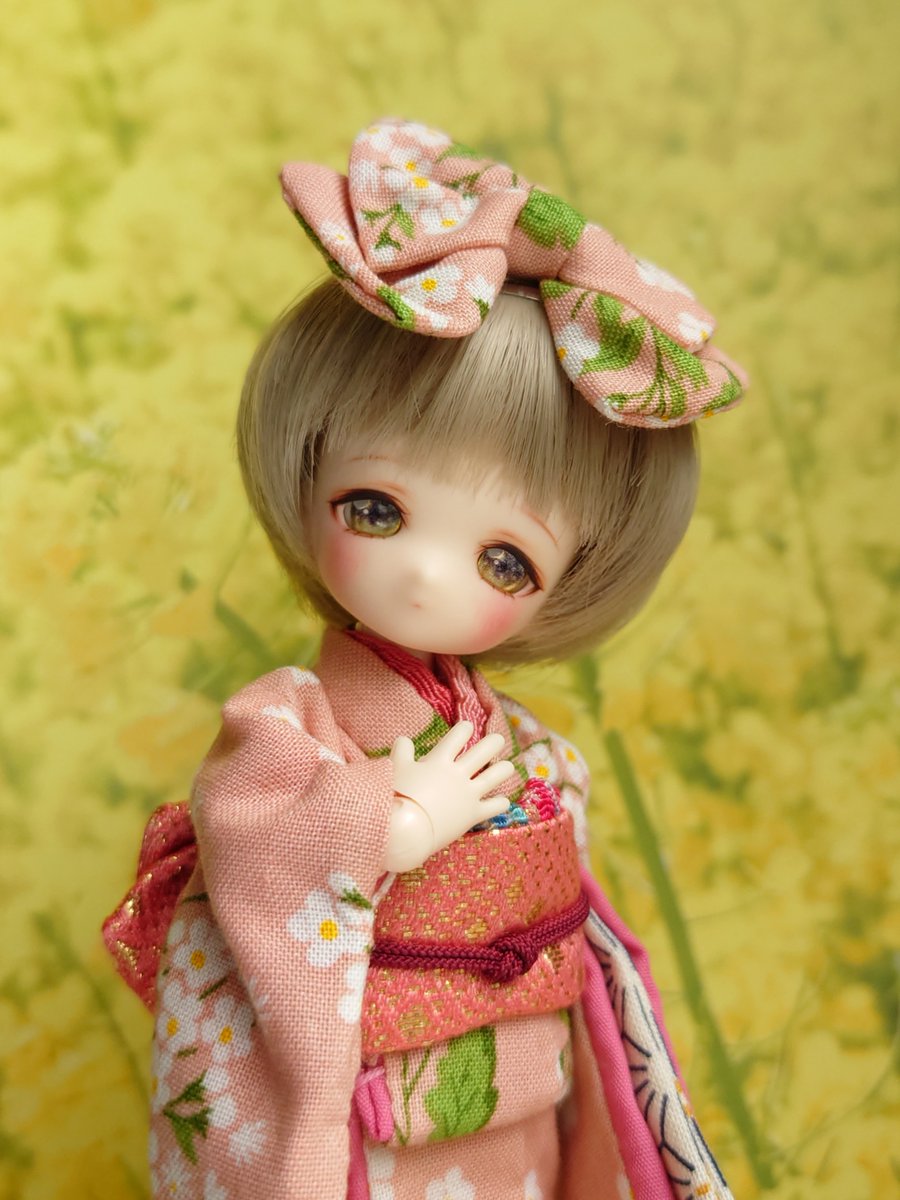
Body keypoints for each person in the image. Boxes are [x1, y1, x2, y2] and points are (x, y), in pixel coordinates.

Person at [104, 117, 747, 1200]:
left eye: (504, 560)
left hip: (520, 1105)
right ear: (307, 471)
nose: (423, 578)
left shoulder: (528, 746)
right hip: (367, 1112)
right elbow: (254, 851)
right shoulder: (285, 726)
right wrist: (392, 826)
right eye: (377, 508)